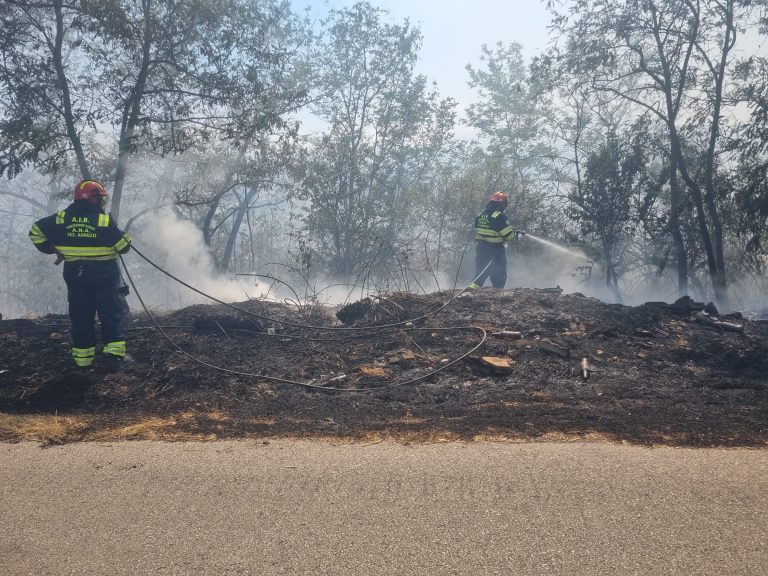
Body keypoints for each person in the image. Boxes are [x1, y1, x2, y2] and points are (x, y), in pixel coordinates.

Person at [29, 179, 132, 370]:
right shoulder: (103, 221)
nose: (101, 202)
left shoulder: (61, 219)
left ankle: (82, 360)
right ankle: (114, 357)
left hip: (76, 273)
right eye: (100, 198)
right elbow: (124, 247)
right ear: (92, 198)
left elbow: (35, 231)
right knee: (110, 313)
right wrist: (120, 234)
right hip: (104, 274)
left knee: (81, 315)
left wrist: (51, 248)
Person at [469, 191, 524, 289]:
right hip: (495, 250)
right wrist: (517, 234)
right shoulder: (499, 216)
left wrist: (508, 228)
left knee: (480, 274)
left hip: (481, 248)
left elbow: (488, 228)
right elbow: (509, 236)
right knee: (499, 275)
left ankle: (470, 292)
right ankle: (498, 294)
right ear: (503, 204)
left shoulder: (481, 215)